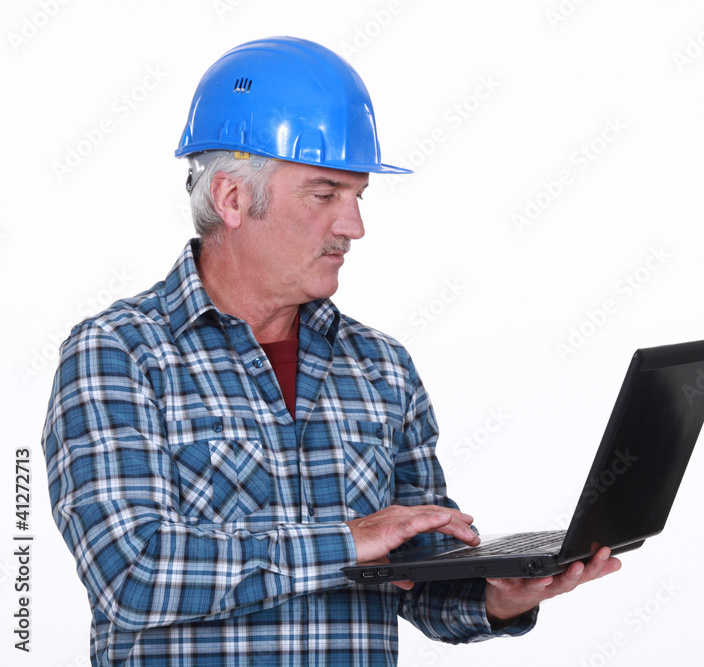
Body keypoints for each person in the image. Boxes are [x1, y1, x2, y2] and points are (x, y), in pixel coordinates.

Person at [41, 36, 620, 666]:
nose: (354, 226)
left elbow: (416, 582)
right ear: (233, 198)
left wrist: (498, 595)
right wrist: (351, 538)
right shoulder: (118, 354)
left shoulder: (380, 366)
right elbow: (132, 575)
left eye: (358, 196)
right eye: (324, 196)